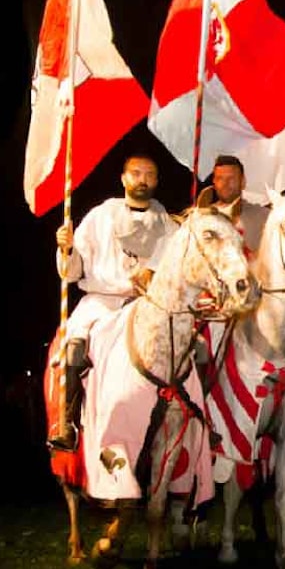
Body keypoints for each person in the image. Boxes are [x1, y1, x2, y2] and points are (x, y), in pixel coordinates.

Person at [50, 154, 178, 450]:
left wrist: (155, 273)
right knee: (73, 349)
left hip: (145, 305)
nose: (142, 179)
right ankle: (66, 422)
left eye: (149, 174)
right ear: (123, 179)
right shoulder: (100, 216)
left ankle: (194, 420)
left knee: (191, 349)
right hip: (102, 303)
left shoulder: (168, 227)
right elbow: (73, 272)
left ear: (157, 181)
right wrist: (67, 250)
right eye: (136, 173)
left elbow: (176, 269)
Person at [196, 154, 270, 260]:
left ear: (243, 182)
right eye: (220, 178)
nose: (225, 183)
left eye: (231, 178)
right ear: (214, 182)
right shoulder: (201, 219)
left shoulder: (264, 217)